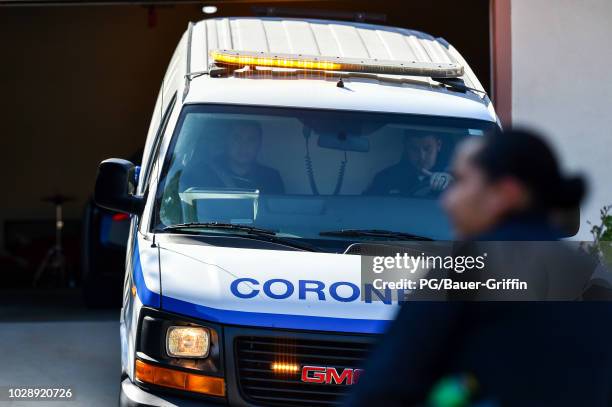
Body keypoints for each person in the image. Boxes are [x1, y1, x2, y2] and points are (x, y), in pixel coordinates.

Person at [345, 130, 612, 407]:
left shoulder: (468, 266)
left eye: (460, 181)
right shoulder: (591, 274)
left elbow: (381, 390)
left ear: (504, 193)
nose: (447, 201)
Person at [199, 121, 284, 193]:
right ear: (227, 141)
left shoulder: (271, 178)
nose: (243, 145)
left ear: (259, 144)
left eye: (251, 139)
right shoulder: (205, 173)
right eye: (237, 138)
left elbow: (279, 210)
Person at [365, 131, 453, 196]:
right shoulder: (386, 177)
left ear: (439, 145)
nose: (422, 156)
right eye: (414, 149)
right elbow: (368, 207)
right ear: (406, 147)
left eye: (427, 149)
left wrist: (453, 185)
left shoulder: (454, 178)